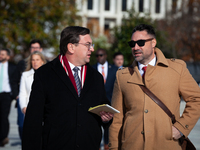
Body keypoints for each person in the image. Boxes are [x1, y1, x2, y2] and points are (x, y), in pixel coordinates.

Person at [109, 24, 200, 150]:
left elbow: (196, 99)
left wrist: (181, 127)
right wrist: (114, 147)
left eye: (140, 43)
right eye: (132, 44)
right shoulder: (122, 76)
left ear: (153, 43)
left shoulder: (177, 69)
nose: (135, 47)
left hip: (167, 144)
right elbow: (117, 119)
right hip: (132, 145)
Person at [22, 26, 114, 150]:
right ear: (71, 47)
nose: (92, 49)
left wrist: (106, 118)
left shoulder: (96, 77)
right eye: (88, 44)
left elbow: (103, 106)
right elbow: (33, 119)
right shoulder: (45, 73)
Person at [12, 39, 44, 140]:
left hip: (42, 108)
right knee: (25, 130)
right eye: (33, 60)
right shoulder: (25, 75)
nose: (35, 62)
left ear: (42, 61)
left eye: (37, 60)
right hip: (28, 108)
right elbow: (23, 93)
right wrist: (24, 107)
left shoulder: (48, 74)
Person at [93, 48, 118, 150]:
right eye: (97, 56)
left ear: (106, 55)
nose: (99, 57)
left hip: (111, 104)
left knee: (109, 133)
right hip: (96, 106)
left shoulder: (114, 69)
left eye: (101, 55)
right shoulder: (92, 69)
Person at [0, 48, 16, 147]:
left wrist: (14, 95)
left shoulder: (13, 67)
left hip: (6, 95)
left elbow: (14, 82)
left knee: (4, 117)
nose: (1, 56)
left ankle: (3, 137)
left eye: (3, 54)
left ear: (8, 56)